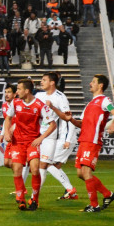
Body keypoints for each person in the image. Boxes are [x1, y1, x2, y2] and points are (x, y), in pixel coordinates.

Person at [53, 74, 114, 213]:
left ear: (100, 85)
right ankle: (107, 194)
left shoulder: (104, 100)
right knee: (80, 174)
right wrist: (71, 119)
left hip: (92, 141)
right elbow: (81, 124)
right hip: (83, 140)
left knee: (86, 172)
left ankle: (94, 205)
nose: (90, 83)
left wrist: (113, 124)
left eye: (93, 81)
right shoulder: (89, 104)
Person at [2, 78, 57, 211]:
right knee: (16, 169)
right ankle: (21, 199)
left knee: (35, 169)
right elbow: (8, 118)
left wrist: (41, 138)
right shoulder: (15, 103)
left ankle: (35, 199)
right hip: (18, 142)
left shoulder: (40, 105)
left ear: (26, 91)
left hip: (32, 142)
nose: (17, 92)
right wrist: (7, 132)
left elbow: (53, 124)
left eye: (19, 89)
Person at [34, 72, 78, 200]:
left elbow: (68, 118)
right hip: (43, 136)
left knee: (46, 165)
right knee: (46, 165)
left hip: (57, 138)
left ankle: (35, 195)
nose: (41, 82)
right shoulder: (39, 95)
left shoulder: (61, 97)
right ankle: (70, 191)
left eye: (44, 80)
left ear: (52, 82)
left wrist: (67, 139)